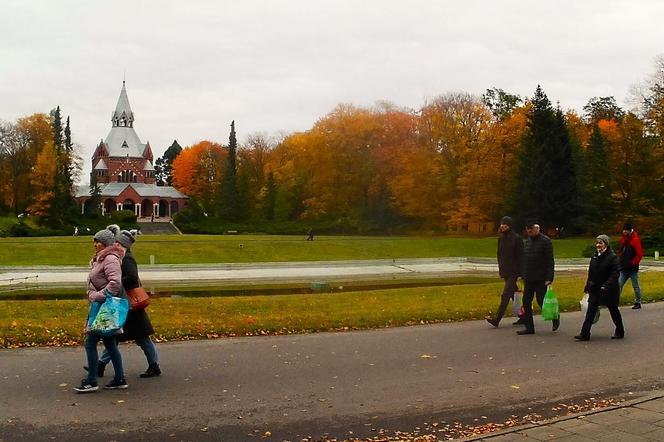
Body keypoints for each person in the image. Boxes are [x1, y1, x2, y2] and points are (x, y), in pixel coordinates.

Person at [96, 227, 162, 378]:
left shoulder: (127, 259)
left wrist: (115, 282)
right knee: (115, 335)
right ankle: (100, 365)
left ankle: (154, 365)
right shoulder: (121, 257)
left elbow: (132, 278)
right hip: (125, 303)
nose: (114, 245)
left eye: (117, 243)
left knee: (140, 337)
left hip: (131, 304)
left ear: (122, 244)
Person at [74, 227, 128, 393]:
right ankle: (119, 378)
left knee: (90, 343)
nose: (95, 244)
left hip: (104, 307)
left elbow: (115, 283)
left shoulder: (110, 258)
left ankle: (91, 380)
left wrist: (96, 295)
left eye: (97, 241)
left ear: (105, 243)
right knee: (110, 343)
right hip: (100, 306)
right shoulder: (100, 259)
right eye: (94, 241)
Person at [574, 235, 625, 341]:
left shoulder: (612, 257)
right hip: (595, 289)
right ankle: (585, 333)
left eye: (600, 243)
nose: (598, 245)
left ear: (606, 244)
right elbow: (591, 273)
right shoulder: (594, 257)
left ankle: (620, 331)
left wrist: (606, 286)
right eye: (597, 243)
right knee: (590, 312)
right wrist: (587, 285)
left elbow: (615, 274)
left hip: (609, 291)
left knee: (613, 311)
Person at [517, 220, 558, 335]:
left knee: (541, 301)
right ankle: (529, 328)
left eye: (531, 229)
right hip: (529, 278)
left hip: (541, 278)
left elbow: (550, 261)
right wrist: (522, 274)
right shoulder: (528, 242)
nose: (529, 231)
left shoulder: (546, 241)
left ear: (537, 229)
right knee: (526, 302)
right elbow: (525, 260)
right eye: (527, 229)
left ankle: (555, 317)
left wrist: (549, 277)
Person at [486, 216, 523, 327]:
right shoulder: (501, 239)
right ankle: (524, 316)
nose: (502, 226)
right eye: (502, 223)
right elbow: (499, 254)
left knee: (506, 294)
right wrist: (501, 268)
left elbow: (521, 256)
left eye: (505, 224)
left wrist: (521, 273)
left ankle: (497, 319)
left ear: (510, 226)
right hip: (505, 271)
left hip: (514, 271)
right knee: (514, 294)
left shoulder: (517, 239)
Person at [618, 222, 644, 309]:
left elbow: (639, 254)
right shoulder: (623, 239)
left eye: (626, 230)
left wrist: (632, 263)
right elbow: (621, 251)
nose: (624, 232)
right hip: (623, 268)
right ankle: (614, 301)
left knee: (635, 286)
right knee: (619, 284)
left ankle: (638, 302)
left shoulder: (635, 240)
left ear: (629, 231)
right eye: (623, 230)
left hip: (632, 268)